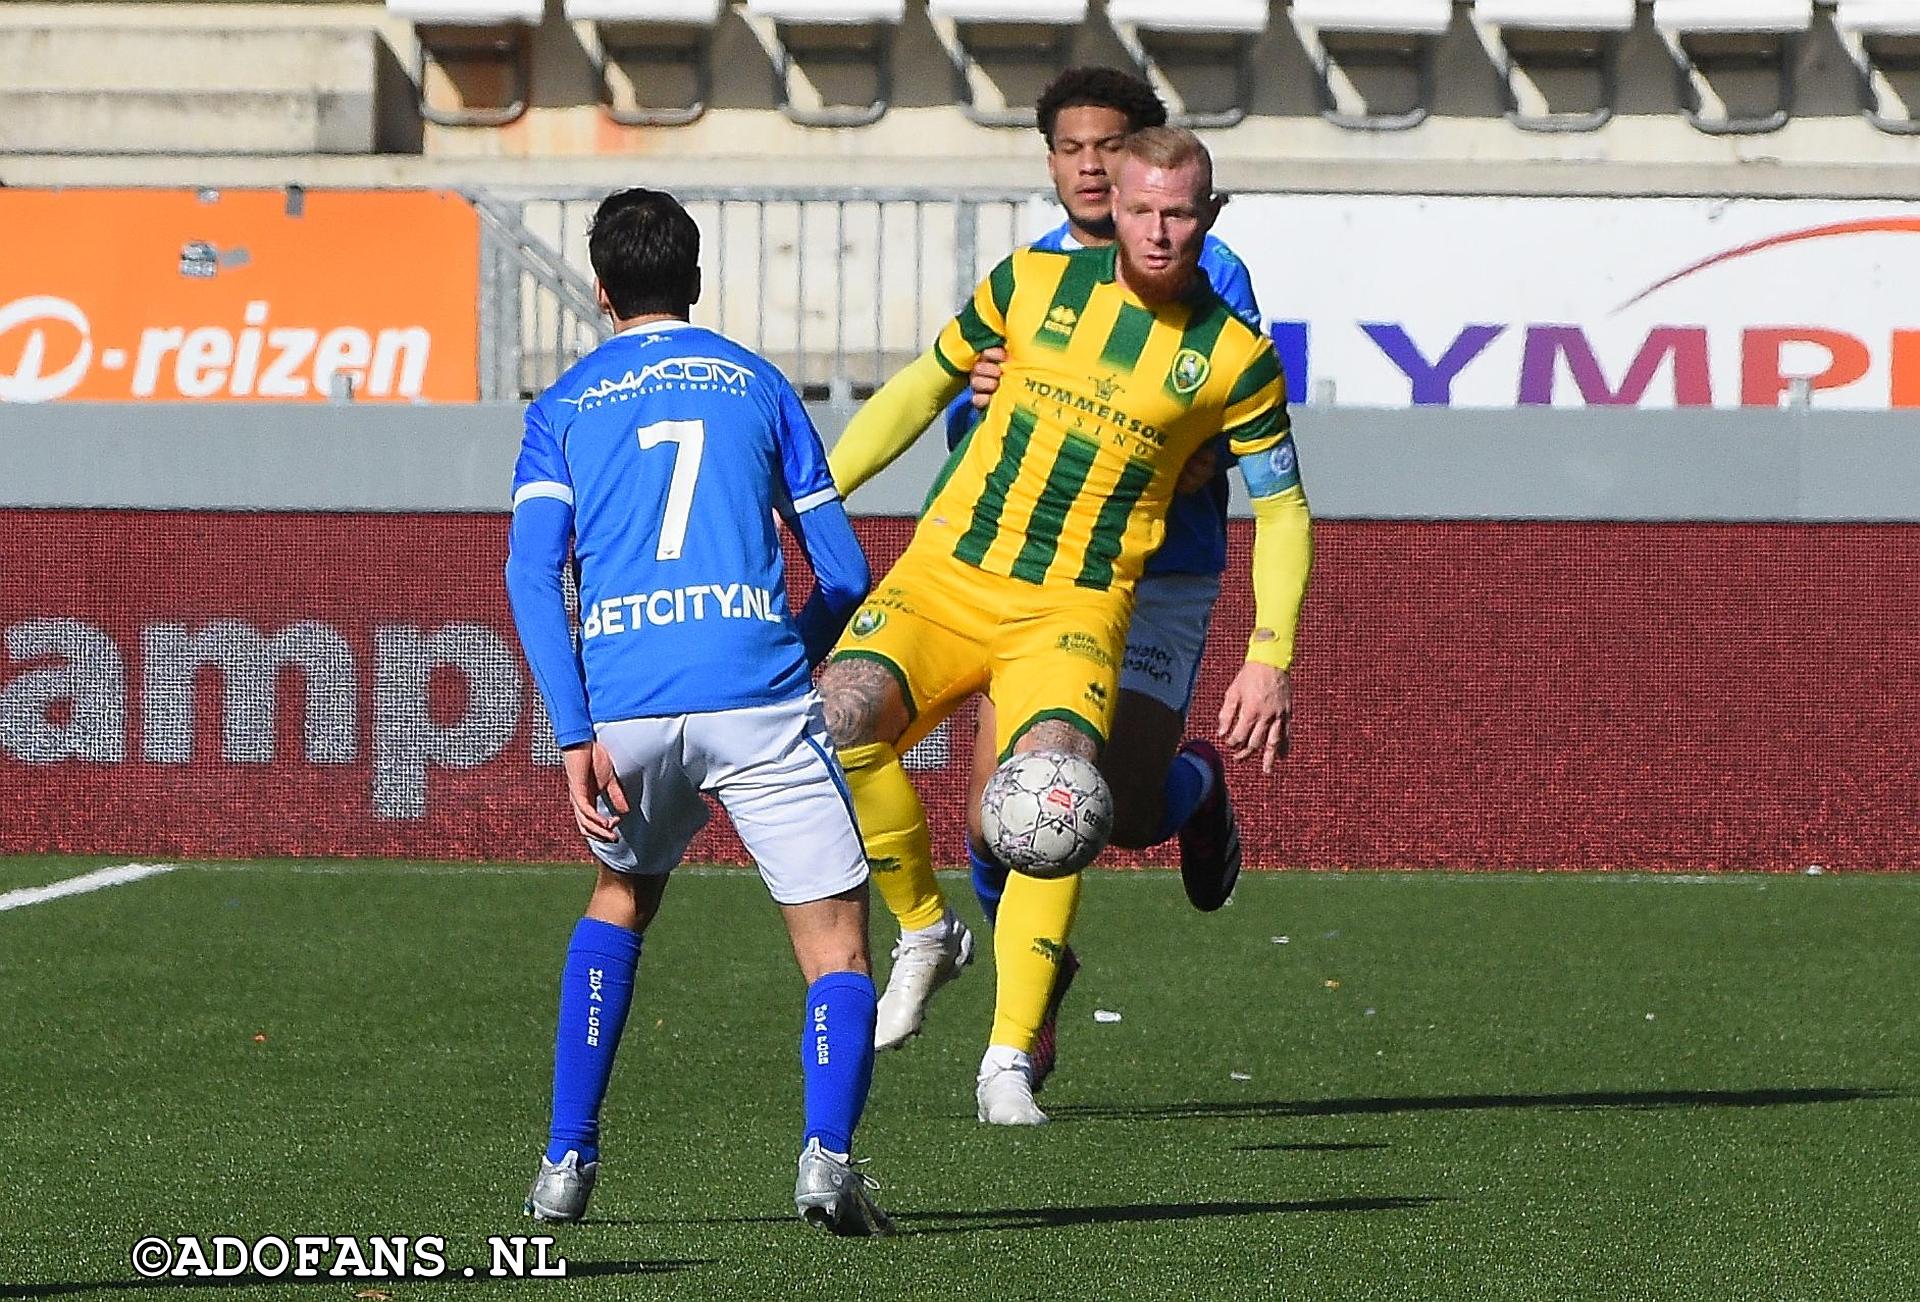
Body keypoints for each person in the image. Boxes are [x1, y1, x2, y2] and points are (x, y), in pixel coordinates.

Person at [818, 128, 1313, 1126]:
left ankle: (1009, 1058)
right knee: (829, 727)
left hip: (1073, 608)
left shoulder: (1235, 358)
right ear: (1112, 212)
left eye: (1181, 213)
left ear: (1210, 220)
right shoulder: (1030, 286)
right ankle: (926, 931)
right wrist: (815, 500)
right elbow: (922, 383)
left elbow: (1285, 507)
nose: (1161, 231)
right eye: (1143, 211)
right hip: (946, 578)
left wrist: (1269, 657)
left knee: (1052, 798)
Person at [503, 187, 891, 1235]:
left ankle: (564, 1165)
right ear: (699, 280)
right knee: (838, 945)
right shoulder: (758, 384)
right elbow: (848, 574)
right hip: (758, 695)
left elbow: (533, 576)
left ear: (599, 290)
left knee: (620, 902)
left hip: (624, 705)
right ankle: (826, 1161)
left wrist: (574, 731)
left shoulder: (566, 404)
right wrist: (784, 660)